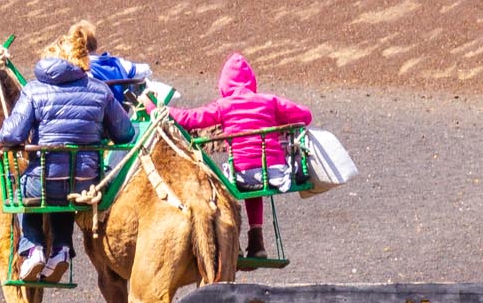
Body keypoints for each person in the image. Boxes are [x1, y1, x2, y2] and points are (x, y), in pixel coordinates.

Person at [0, 25, 133, 284]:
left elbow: (12, 134)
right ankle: (61, 249)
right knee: (67, 190)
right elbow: (126, 134)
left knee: (25, 190)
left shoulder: (34, 90)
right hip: (87, 181)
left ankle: (33, 247)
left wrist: (0, 139)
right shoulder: (99, 90)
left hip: (43, 180)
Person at [169, 51, 313, 264]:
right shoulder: (270, 101)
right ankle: (257, 242)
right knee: (257, 180)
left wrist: (159, 108)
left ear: (224, 84)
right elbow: (305, 115)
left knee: (222, 184)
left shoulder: (223, 106)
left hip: (242, 173)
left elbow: (191, 119)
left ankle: (231, 243)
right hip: (274, 173)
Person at [67, 19, 153, 107]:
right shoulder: (117, 63)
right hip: (123, 114)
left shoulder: (82, 72)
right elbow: (145, 70)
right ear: (94, 43)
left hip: (100, 116)